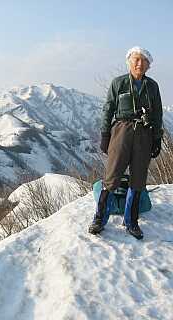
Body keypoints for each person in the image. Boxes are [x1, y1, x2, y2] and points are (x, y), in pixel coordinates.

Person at [88, 46, 163, 240]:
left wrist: (157, 138)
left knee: (138, 179)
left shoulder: (152, 86)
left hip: (144, 134)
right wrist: (105, 134)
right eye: (136, 59)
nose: (139, 63)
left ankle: (131, 222)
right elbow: (108, 109)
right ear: (129, 61)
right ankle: (99, 219)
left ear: (148, 65)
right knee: (112, 176)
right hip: (121, 131)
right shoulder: (119, 83)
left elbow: (157, 114)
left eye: (144, 61)